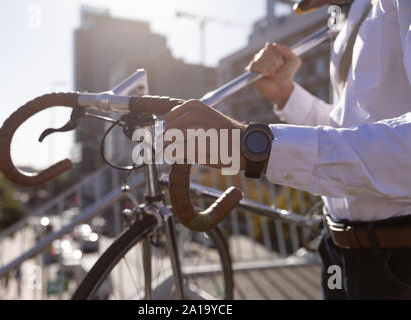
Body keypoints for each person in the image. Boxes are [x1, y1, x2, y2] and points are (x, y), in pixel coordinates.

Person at [164, 0, 411, 299]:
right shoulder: (350, 15)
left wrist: (255, 146)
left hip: (398, 261)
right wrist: (286, 95)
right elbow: (352, 128)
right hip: (337, 252)